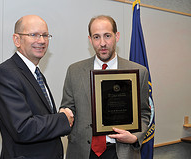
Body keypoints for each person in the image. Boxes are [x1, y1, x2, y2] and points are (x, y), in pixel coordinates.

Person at [60, 15, 151, 159]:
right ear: (90, 40)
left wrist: (134, 137)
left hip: (121, 151)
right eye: (96, 37)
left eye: (107, 36)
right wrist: (64, 114)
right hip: (83, 151)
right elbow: (67, 107)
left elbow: (145, 112)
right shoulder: (74, 71)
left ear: (117, 36)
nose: (102, 43)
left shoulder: (139, 72)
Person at [0, 15, 74, 159]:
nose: (41, 41)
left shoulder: (36, 73)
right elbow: (22, 128)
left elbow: (41, 117)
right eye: (33, 35)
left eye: (45, 35)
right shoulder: (6, 73)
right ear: (17, 40)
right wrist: (63, 119)